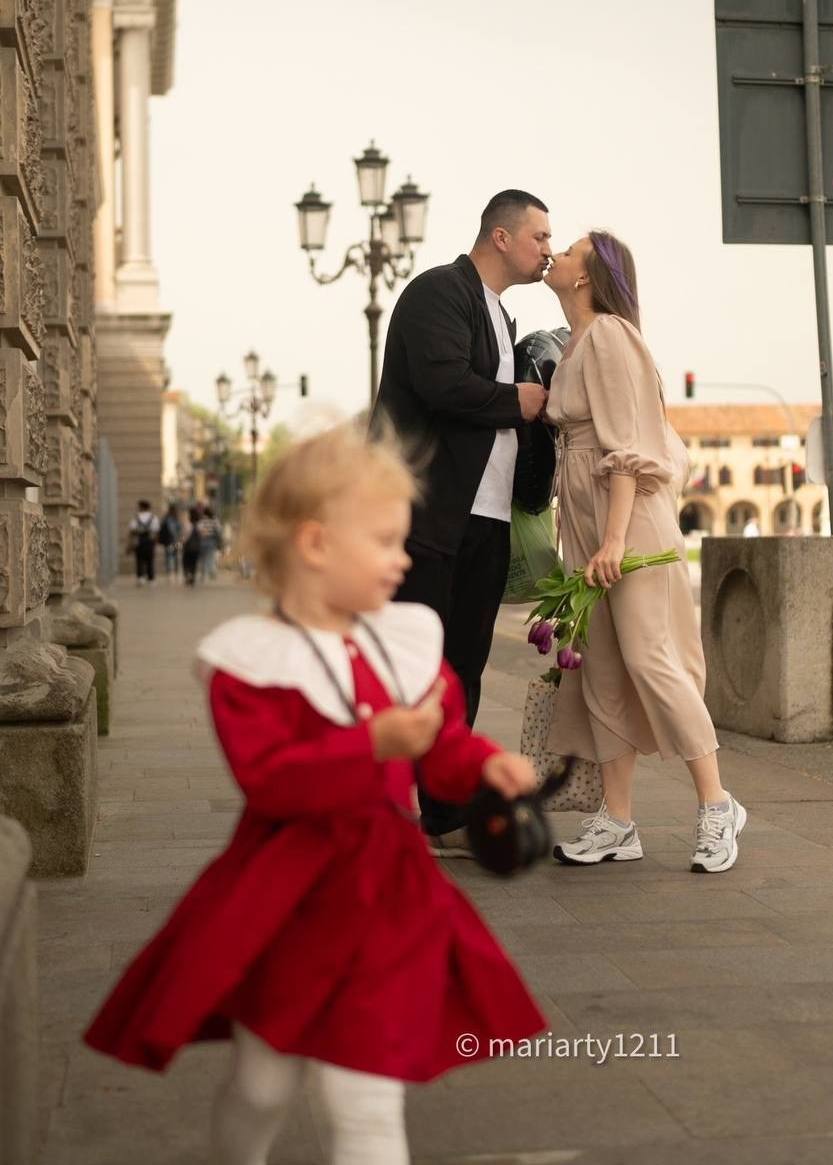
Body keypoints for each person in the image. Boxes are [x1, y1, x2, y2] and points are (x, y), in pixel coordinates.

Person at [83, 423, 545, 1165]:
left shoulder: (400, 642)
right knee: (264, 1083)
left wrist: (487, 765)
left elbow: (440, 743)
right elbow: (270, 779)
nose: (404, 558)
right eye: (386, 541)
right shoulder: (252, 662)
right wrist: (373, 744)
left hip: (384, 892)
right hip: (286, 894)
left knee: (364, 1098)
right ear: (316, 545)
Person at [543, 231, 746, 873]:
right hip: (587, 524)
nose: (554, 253)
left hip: (626, 524)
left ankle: (717, 805)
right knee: (602, 670)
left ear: (587, 275)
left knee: (650, 660)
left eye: (567, 248)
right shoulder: (575, 342)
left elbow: (626, 446)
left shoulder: (610, 334)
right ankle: (618, 822)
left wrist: (613, 538)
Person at [372, 189, 551, 856]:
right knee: (411, 667)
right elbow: (442, 383)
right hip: (427, 515)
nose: (547, 250)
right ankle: (383, 809)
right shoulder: (437, 292)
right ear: (501, 237)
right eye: (539, 236)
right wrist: (517, 400)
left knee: (463, 667)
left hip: (486, 517)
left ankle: (444, 814)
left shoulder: (500, 315)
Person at [128, 500, 159, 586]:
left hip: (139, 540)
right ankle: (151, 578)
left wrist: (131, 539)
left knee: (139, 559)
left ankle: (140, 577)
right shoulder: (153, 517)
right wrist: (155, 542)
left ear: (141, 507)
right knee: (150, 560)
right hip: (149, 540)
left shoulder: (136, 517)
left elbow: (132, 530)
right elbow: (156, 531)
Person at [157, 504, 182, 582]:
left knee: (171, 557)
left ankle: (172, 574)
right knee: (172, 557)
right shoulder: (172, 519)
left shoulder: (167, 519)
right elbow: (175, 531)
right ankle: (172, 574)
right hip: (172, 541)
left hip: (171, 541)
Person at [198, 505, 222, 580]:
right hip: (212, 540)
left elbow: (199, 528)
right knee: (210, 556)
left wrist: (204, 532)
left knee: (203, 557)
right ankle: (210, 570)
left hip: (203, 540)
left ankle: (204, 572)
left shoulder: (202, 519)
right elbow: (218, 529)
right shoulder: (215, 519)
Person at [182, 506, 202, 587]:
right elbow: (201, 535)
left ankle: (187, 576)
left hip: (188, 546)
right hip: (196, 547)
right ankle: (192, 575)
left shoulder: (187, 524)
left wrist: (183, 542)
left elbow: (184, 536)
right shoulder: (199, 524)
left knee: (186, 562)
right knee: (194, 563)